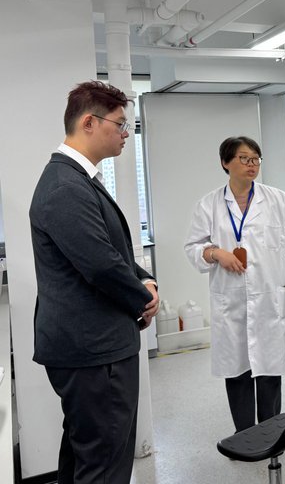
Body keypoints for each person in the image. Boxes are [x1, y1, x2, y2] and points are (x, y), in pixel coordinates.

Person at [29, 80, 159, 484]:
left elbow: (111, 249)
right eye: (120, 124)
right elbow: (101, 266)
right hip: (94, 350)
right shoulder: (65, 186)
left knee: (87, 455)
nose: (126, 133)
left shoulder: (79, 179)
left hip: (91, 347)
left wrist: (145, 280)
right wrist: (143, 299)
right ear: (89, 122)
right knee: (104, 465)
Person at [184, 136, 285, 433]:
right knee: (237, 372)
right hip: (230, 300)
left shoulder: (276, 199)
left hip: (267, 299)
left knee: (269, 372)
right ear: (225, 162)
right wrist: (216, 253)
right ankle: (244, 437)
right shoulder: (209, 205)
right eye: (244, 158)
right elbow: (193, 247)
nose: (252, 165)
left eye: (256, 159)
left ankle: (271, 435)